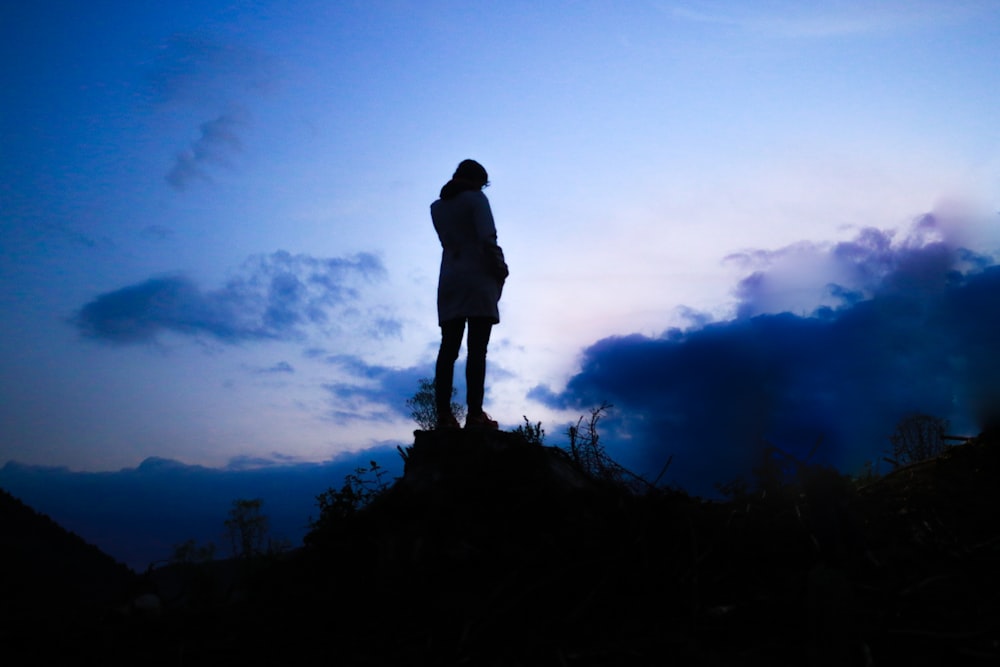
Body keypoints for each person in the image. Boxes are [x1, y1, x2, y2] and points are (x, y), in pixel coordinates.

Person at [431, 159, 509, 430]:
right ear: (479, 181)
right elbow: (488, 238)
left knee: (448, 350)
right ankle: (475, 415)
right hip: (478, 278)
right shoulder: (477, 200)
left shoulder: (437, 208)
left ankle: (443, 416)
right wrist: (501, 269)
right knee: (477, 350)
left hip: (450, 279)